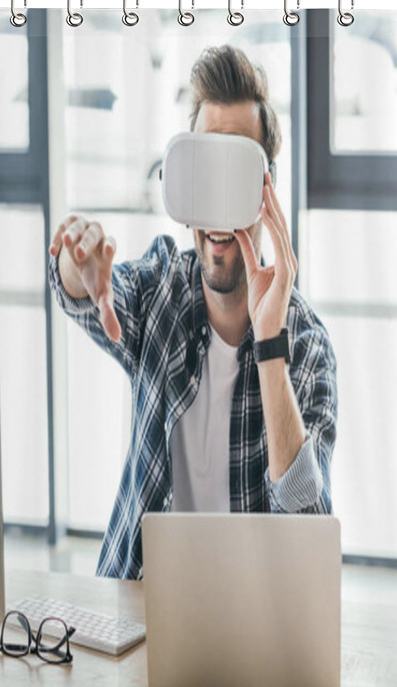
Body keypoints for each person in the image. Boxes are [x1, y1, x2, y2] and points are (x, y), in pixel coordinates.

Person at [48, 45, 337, 580]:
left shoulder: (308, 344)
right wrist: (76, 259)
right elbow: (80, 290)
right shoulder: (161, 290)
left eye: (238, 172)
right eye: (207, 167)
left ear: (267, 188)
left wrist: (270, 343)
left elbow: (309, 530)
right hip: (136, 604)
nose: (219, 209)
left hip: (252, 622)